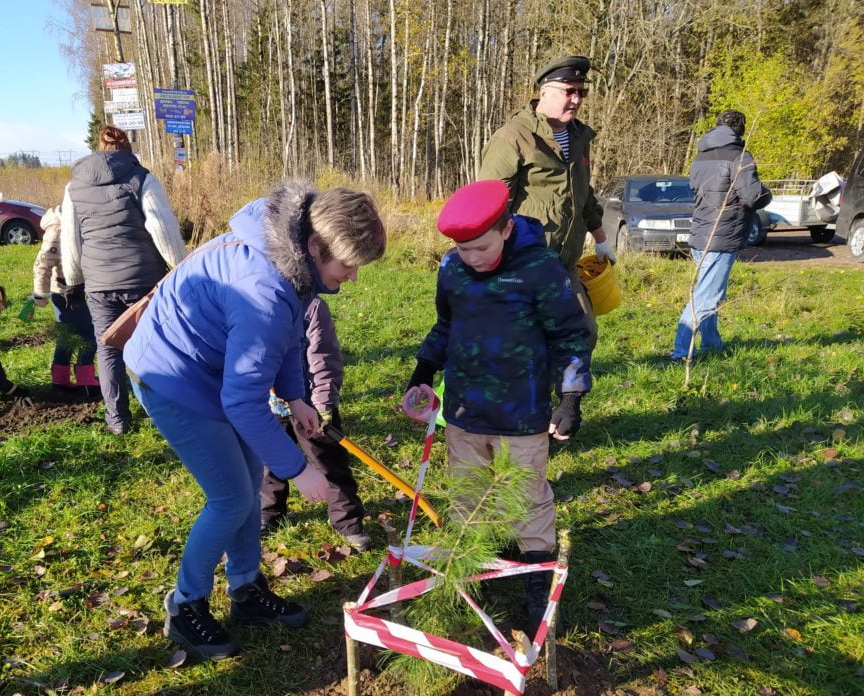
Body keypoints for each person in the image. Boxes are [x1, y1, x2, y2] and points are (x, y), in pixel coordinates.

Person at [124, 180, 386, 662]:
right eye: (347, 265)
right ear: (314, 245)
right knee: (230, 498)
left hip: (213, 370)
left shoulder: (293, 265)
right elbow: (243, 401)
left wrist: (295, 396)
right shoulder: (262, 290)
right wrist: (296, 468)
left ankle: (245, 589)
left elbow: (288, 335)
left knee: (245, 484)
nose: (351, 277)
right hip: (172, 376)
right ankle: (185, 607)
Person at [403, 180, 592, 638]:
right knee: (468, 497)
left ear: (506, 228)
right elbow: (446, 325)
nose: (472, 258)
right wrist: (423, 373)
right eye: (463, 250)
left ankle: (535, 591)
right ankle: (472, 580)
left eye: (481, 247)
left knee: (527, 501)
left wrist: (570, 398)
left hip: (521, 413)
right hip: (464, 410)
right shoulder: (453, 269)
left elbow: (570, 336)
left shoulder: (540, 271)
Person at [60, 125, 187, 434]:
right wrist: (182, 267)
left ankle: (117, 420)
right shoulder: (141, 178)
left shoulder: (74, 187)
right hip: (143, 280)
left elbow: (71, 239)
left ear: (98, 148)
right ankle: (164, 414)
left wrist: (73, 281)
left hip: (99, 283)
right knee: (154, 346)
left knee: (108, 348)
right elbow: (162, 228)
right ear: (128, 148)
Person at [478, 54, 611, 348]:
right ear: (544, 92)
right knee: (521, 345)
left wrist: (601, 239)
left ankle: (562, 394)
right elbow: (487, 205)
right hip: (522, 264)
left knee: (582, 334)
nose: (576, 99)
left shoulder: (579, 137)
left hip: (565, 263)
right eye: (569, 91)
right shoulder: (514, 137)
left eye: (582, 92)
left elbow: (583, 193)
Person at [260, 296, 372, 552]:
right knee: (269, 464)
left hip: (310, 406)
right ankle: (269, 512)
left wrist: (322, 404)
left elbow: (323, 358)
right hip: (270, 404)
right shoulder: (256, 302)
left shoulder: (311, 306)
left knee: (327, 461)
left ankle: (348, 522)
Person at [671, 110, 771, 360]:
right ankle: (680, 352)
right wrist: (767, 192)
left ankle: (712, 344)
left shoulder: (700, 157)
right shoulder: (739, 157)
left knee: (708, 292)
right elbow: (753, 196)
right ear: (741, 129)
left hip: (700, 234)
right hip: (723, 236)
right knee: (706, 297)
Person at [31, 205, 99, 397]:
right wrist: (40, 295)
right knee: (89, 333)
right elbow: (42, 265)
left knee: (67, 334)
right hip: (64, 292)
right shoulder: (57, 232)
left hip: (78, 288)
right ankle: (86, 379)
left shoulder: (79, 226)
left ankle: (60, 379)